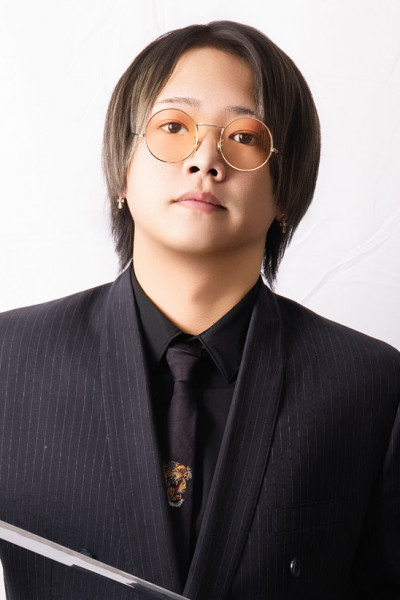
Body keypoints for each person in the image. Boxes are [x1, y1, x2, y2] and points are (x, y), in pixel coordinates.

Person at [0, 20, 399, 600]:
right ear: (121, 167)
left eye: (244, 136)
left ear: (287, 188)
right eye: (173, 127)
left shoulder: (370, 386)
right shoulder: (11, 359)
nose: (206, 159)